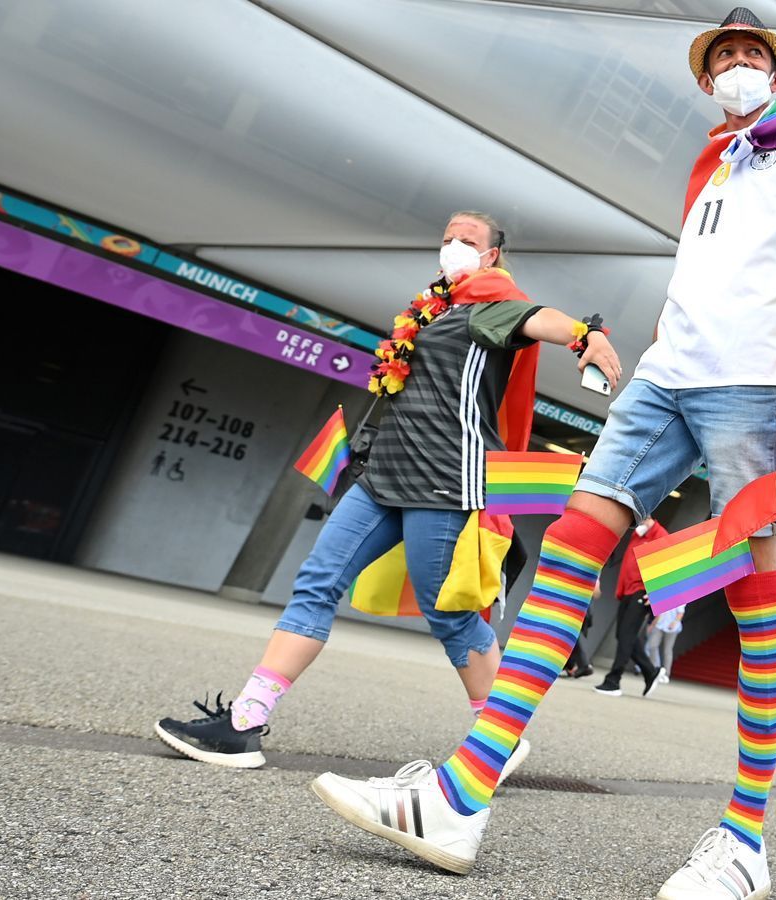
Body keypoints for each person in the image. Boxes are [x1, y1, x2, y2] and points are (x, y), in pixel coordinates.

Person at [305, 9, 776, 893]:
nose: (738, 66)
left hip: (754, 386)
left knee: (753, 587)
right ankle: (461, 797)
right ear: (707, 79)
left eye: (752, 55)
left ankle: (743, 844)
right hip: (665, 378)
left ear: (775, 74)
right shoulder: (712, 166)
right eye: (724, 56)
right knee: (575, 540)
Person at [152, 211, 621, 770]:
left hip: (443, 482)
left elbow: (538, 319)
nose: (453, 246)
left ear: (492, 254)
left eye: (468, 241)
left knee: (448, 613)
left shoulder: (491, 306)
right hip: (383, 476)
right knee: (316, 583)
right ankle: (246, 722)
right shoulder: (433, 308)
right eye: (447, 237)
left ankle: (498, 736)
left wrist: (584, 334)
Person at [594, 517, 670, 697]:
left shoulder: (661, 536)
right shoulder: (637, 535)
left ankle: (613, 681)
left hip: (643, 592)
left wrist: (657, 594)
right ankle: (650, 671)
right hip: (627, 592)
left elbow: (668, 567)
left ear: (649, 517)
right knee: (623, 635)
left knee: (626, 635)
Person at [649, 602, 685, 684]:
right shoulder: (664, 596)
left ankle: (666, 674)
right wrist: (653, 624)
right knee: (652, 645)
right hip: (659, 624)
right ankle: (656, 669)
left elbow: (680, 613)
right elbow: (659, 612)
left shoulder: (680, 598)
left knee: (667, 650)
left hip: (672, 627)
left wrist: (675, 622)